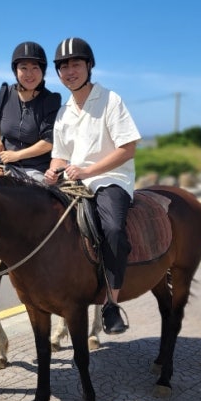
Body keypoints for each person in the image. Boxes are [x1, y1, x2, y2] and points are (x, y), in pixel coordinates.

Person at [44, 37, 141, 335]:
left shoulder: (111, 100)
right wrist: (53, 170)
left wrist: (88, 170)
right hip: (74, 182)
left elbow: (128, 148)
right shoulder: (64, 112)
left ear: (89, 66)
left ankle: (111, 304)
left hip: (110, 179)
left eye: (75, 64)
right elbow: (59, 154)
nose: (69, 71)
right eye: (63, 67)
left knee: (112, 229)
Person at [0, 41, 61, 181]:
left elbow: (48, 142)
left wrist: (17, 155)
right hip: (5, 164)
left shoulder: (51, 101)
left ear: (43, 71)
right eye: (24, 68)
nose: (29, 74)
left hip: (35, 169)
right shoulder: (4, 94)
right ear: (16, 70)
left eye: (35, 68)